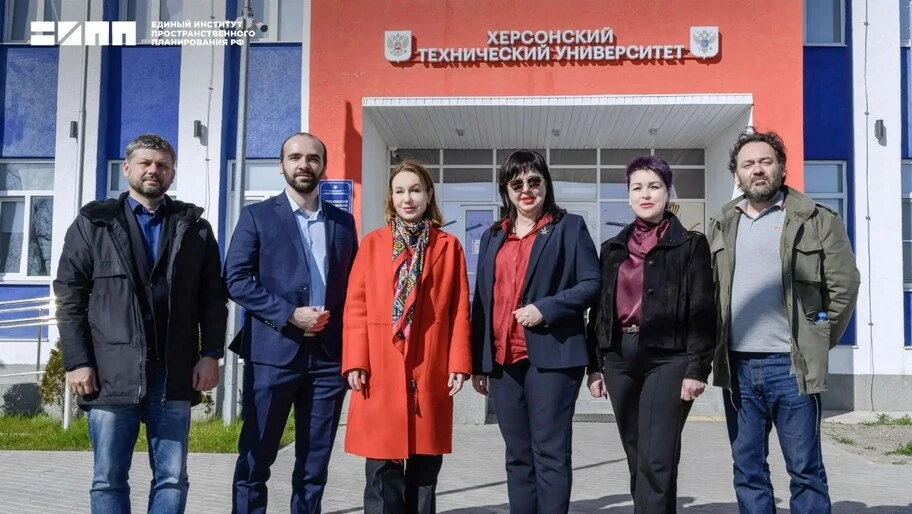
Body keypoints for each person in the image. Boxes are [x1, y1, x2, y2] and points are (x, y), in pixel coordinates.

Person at [54, 133, 228, 513]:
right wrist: (77, 361)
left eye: (162, 165)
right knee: (108, 478)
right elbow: (70, 296)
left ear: (172, 174)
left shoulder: (194, 228)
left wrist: (211, 354)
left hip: (174, 371)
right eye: (145, 163)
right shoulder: (93, 224)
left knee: (172, 477)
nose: (153, 170)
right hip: (110, 372)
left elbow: (213, 298)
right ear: (127, 168)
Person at [709, 128, 860, 514]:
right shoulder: (723, 222)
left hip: (791, 368)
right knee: (747, 469)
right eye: (748, 164)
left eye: (766, 161)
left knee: (805, 470)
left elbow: (843, 287)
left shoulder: (816, 219)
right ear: (736, 174)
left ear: (781, 167)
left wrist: (816, 334)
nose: (757, 169)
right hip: (737, 368)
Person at [225, 132, 358, 514]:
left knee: (314, 464)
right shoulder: (257, 216)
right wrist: (288, 313)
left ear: (323, 167)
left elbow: (354, 289)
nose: (304, 164)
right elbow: (235, 279)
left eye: (313, 158)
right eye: (295, 157)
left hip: (328, 360)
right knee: (256, 456)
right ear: (281, 165)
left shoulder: (343, 222)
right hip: (273, 355)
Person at [469, 149, 600, 514]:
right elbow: (482, 299)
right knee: (517, 455)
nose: (526, 190)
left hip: (552, 358)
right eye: (516, 184)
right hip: (503, 361)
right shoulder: (493, 235)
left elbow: (592, 283)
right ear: (505, 190)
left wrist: (546, 308)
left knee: (550, 453)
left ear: (546, 184)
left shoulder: (568, 227)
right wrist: (478, 362)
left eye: (533, 181)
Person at [585, 155, 715, 513]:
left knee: (657, 457)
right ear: (628, 196)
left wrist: (697, 369)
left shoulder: (690, 245)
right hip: (618, 359)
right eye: (637, 187)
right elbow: (599, 311)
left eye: (654, 186)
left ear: (667, 193)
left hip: (668, 360)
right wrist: (594, 366)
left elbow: (703, 310)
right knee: (637, 455)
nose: (645, 194)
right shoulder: (612, 249)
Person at [342, 159, 472, 514]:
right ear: (391, 197)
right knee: (381, 470)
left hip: (428, 365)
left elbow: (460, 308)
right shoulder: (372, 244)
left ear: (428, 195)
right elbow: (356, 306)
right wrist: (355, 361)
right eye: (399, 191)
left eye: (415, 190)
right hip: (381, 366)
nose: (407, 198)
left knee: (424, 470)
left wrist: (459, 362)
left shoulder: (449, 246)